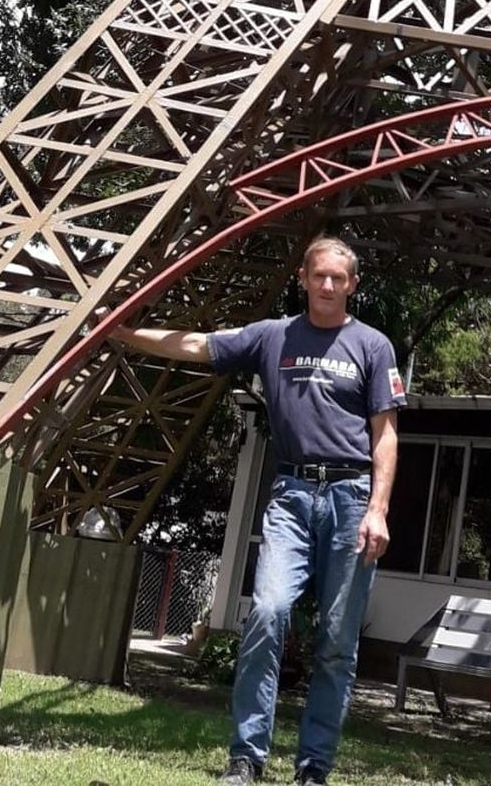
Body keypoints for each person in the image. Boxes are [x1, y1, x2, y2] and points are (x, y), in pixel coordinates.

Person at [110, 235, 405, 786]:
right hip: (292, 494)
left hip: (350, 498)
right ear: (303, 276)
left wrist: (378, 508)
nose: (328, 285)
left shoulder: (373, 346)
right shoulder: (274, 337)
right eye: (319, 275)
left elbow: (385, 436)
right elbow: (198, 345)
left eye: (339, 278)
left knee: (337, 643)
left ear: (353, 285)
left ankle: (314, 768)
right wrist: (126, 333)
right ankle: (246, 757)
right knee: (267, 614)